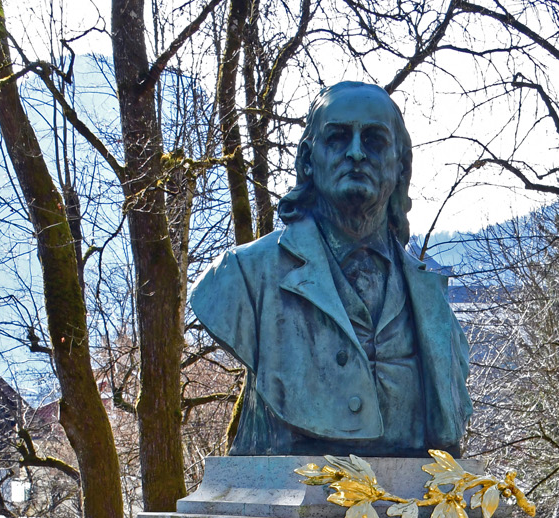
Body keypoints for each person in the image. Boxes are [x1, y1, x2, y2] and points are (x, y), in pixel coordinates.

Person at [190, 82, 472, 457]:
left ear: (400, 165)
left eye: (374, 141)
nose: (356, 153)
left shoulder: (435, 307)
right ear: (308, 159)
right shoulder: (241, 277)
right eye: (337, 139)